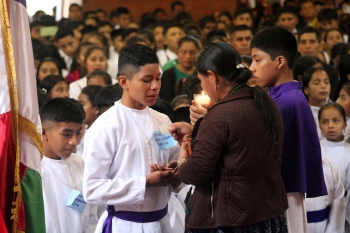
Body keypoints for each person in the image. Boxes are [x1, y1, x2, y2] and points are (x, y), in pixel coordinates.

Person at [169, 41, 288, 232]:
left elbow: (195, 172)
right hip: (267, 212)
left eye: (201, 80)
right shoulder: (263, 101)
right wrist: (198, 130)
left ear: (212, 77)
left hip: (232, 217)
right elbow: (238, 143)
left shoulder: (220, 115)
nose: (203, 86)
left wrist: (183, 160)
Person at [83, 44, 183, 233]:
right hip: (125, 224)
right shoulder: (106, 126)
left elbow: (176, 165)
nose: (155, 86)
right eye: (147, 80)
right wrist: (145, 182)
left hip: (162, 222)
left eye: (158, 78)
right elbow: (92, 188)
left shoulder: (162, 120)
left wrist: (171, 171)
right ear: (123, 82)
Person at [249, 27, 327, 233]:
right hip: (280, 194)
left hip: (282, 197)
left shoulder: (288, 102)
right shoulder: (280, 97)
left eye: (257, 60)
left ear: (280, 61)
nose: (251, 67)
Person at [40, 98, 97, 233]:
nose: (74, 141)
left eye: (78, 133)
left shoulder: (80, 164)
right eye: (66, 134)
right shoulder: (32, 170)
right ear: (44, 132)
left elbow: (92, 214)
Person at [160, 36, 199, 103]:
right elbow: (165, 99)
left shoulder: (200, 73)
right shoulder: (168, 74)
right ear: (177, 52)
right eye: (184, 52)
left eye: (192, 53)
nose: (188, 56)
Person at [302, 67, 331, 139]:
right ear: (306, 89)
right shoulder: (302, 112)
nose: (323, 86)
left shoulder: (336, 109)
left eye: (326, 82)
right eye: (317, 83)